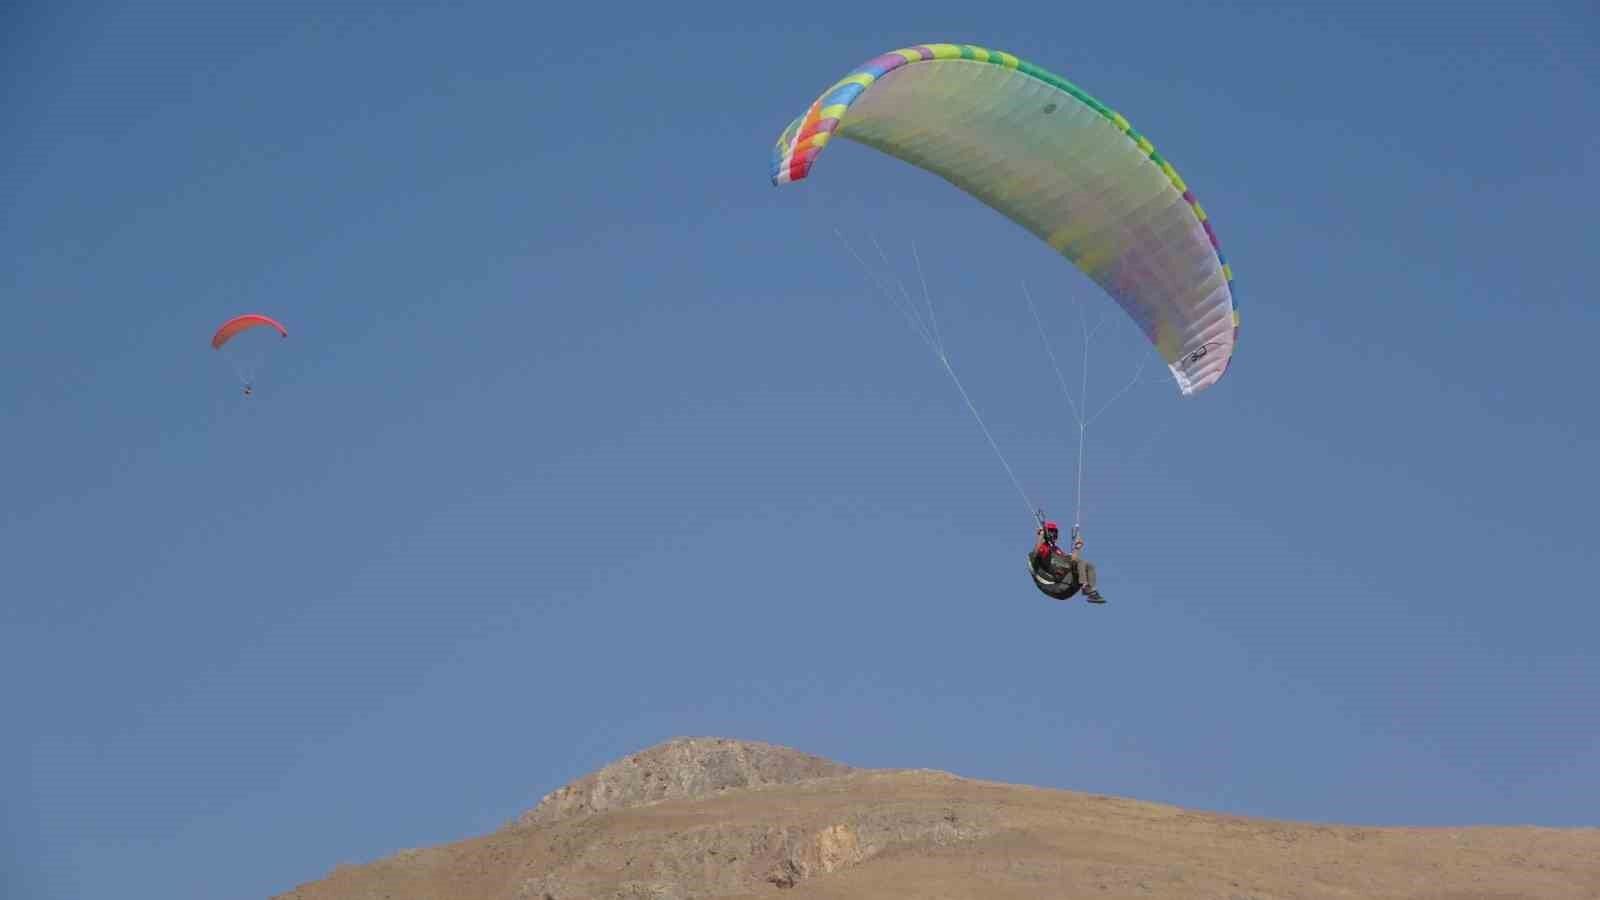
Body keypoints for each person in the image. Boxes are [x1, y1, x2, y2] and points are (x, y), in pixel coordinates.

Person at [1028, 521, 1104, 603]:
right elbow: (1035, 553)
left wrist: (1077, 548)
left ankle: (1092, 593)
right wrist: (1040, 537)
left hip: (1068, 587)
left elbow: (1072, 561)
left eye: (1054, 532)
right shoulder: (1044, 548)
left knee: (1089, 565)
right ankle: (1085, 587)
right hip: (1057, 586)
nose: (1053, 534)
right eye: (1050, 531)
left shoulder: (1057, 550)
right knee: (1080, 563)